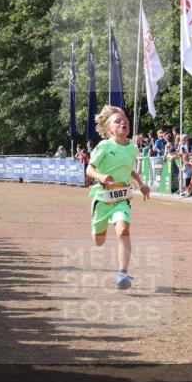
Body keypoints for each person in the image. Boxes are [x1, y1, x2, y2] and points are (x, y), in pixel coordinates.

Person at [85, 105, 151, 290]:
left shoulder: (132, 148)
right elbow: (89, 169)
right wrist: (100, 177)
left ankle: (123, 273)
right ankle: (98, 228)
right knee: (99, 241)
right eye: (118, 121)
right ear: (109, 129)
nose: (123, 123)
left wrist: (141, 184)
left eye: (125, 121)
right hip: (102, 198)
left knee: (123, 231)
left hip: (122, 198)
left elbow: (129, 169)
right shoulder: (104, 146)